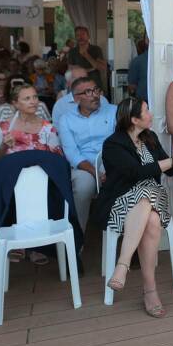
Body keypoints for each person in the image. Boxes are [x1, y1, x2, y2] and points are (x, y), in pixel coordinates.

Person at [96, 98, 173, 317]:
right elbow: (137, 173)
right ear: (134, 119)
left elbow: (169, 169)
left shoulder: (150, 138)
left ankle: (122, 266)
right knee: (151, 217)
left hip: (153, 199)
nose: (151, 113)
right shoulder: (113, 144)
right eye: (146, 111)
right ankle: (149, 290)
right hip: (121, 203)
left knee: (148, 195)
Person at [0, 83, 63, 265]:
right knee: (10, 192)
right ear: (15, 103)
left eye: (35, 97)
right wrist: (4, 146)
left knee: (43, 191)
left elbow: (58, 158)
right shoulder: (2, 128)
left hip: (42, 183)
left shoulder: (47, 128)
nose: (33, 101)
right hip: (11, 184)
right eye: (27, 98)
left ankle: (38, 246)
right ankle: (16, 243)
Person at [55, 76, 117, 232]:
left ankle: (124, 235)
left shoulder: (114, 111)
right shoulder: (66, 120)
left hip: (112, 160)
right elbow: (72, 154)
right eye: (88, 92)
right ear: (76, 99)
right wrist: (95, 172)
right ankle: (78, 236)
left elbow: (122, 141)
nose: (95, 95)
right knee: (83, 186)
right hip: (85, 166)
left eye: (96, 90)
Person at [66, 26, 108, 91]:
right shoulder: (72, 51)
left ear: (88, 36)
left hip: (95, 85)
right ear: (75, 37)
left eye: (83, 34)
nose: (80, 37)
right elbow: (71, 70)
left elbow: (102, 67)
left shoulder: (96, 49)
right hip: (79, 86)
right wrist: (92, 69)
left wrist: (87, 56)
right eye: (78, 35)